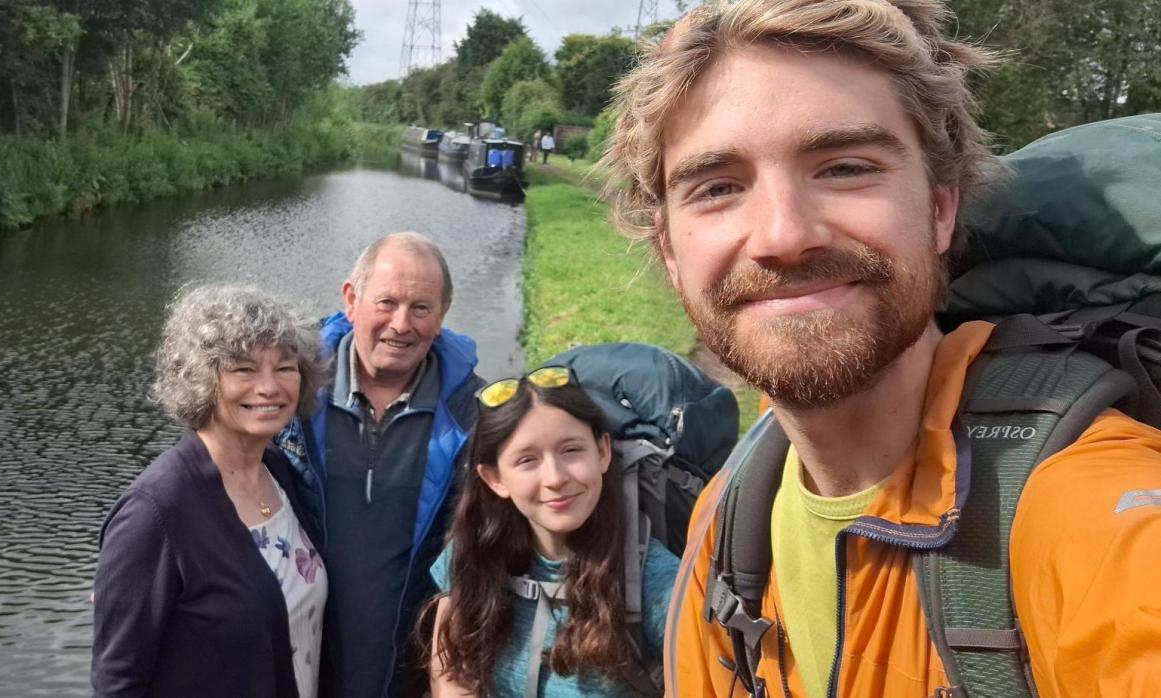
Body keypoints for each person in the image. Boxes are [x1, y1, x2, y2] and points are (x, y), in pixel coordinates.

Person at [601, 1, 1161, 697]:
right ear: (669, 251)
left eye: (842, 167)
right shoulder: (727, 517)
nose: (782, 234)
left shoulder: (1082, 505)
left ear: (938, 208)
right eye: (717, 188)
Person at [92, 285, 328, 698]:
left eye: (285, 367)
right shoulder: (154, 513)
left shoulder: (279, 471)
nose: (269, 387)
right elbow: (118, 683)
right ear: (203, 378)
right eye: (244, 369)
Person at [275, 231, 483, 697]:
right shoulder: (289, 395)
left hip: (411, 674)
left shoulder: (475, 416)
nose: (401, 324)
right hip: (297, 670)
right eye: (386, 302)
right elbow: (215, 472)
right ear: (351, 300)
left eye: (422, 308)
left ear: (442, 315)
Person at [428, 367, 679, 696]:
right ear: (494, 479)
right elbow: (450, 673)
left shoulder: (656, 580)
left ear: (602, 451)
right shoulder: (472, 553)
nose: (555, 478)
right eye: (527, 460)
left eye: (571, 450)